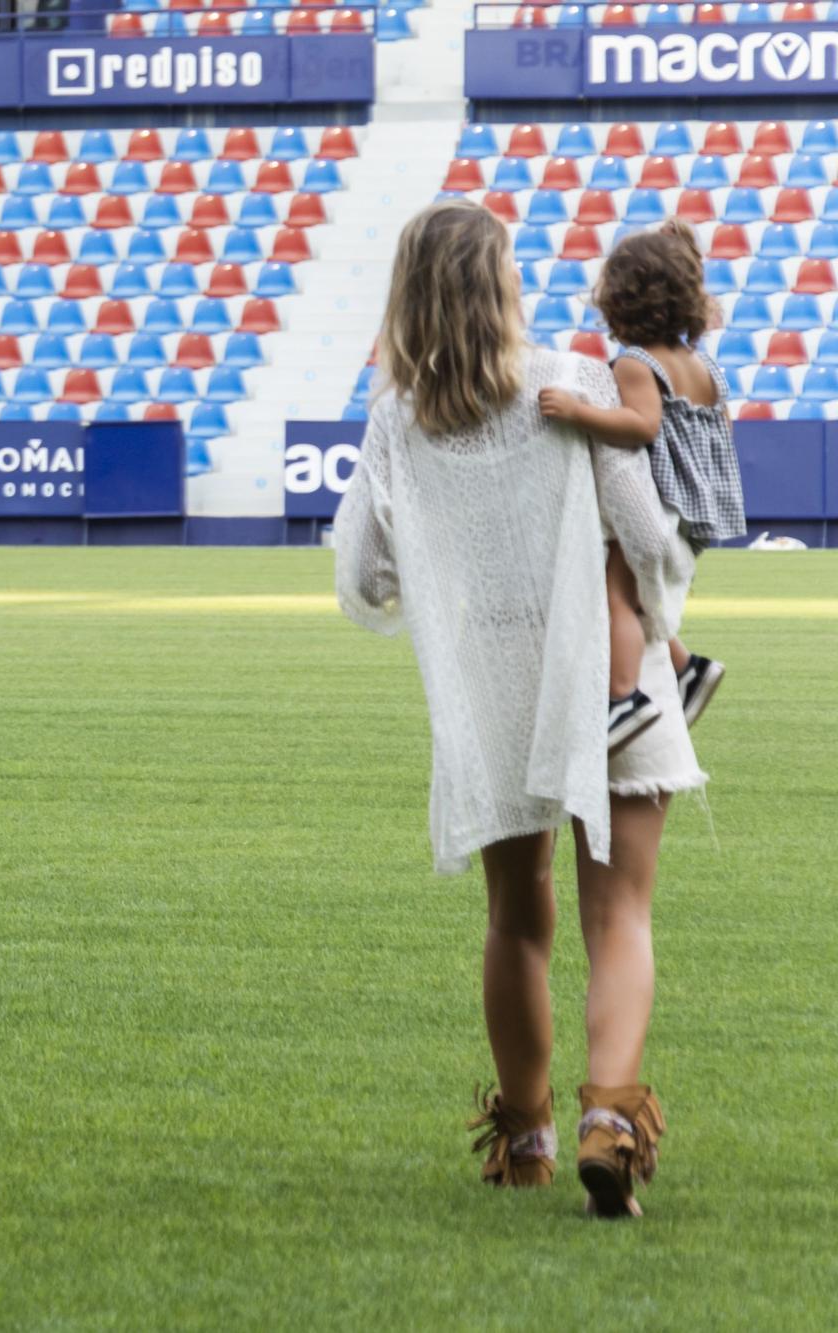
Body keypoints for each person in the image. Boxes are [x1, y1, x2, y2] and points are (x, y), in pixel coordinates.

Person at [333, 201, 706, 1219]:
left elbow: (362, 577)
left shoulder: (396, 422)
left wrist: (459, 571)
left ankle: (525, 1134)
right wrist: (664, 632)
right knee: (617, 907)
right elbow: (646, 535)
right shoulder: (575, 380)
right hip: (610, 676)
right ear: (500, 286)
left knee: (515, 917)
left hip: (497, 689)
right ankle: (610, 1120)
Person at [537, 220, 744, 751]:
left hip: (667, 505)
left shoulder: (636, 363)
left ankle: (622, 700)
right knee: (643, 594)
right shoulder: (699, 362)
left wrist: (579, 412)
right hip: (700, 508)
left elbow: (642, 426)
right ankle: (686, 668)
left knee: (618, 595)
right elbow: (717, 428)